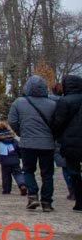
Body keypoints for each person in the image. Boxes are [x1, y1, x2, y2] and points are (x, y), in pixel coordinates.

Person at [9, 74, 59, 212]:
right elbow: (57, 123)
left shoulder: (19, 102)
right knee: (47, 174)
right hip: (47, 144)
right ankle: (47, 202)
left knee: (28, 170)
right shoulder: (53, 104)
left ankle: (32, 196)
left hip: (27, 143)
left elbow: (12, 121)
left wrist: (21, 132)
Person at [50, 74, 82, 210]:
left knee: (74, 171)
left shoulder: (64, 102)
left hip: (70, 142)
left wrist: (58, 137)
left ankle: (79, 200)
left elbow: (58, 122)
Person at [0, 120, 27, 195]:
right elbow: (19, 149)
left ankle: (6, 190)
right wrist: (20, 156)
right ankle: (22, 185)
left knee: (6, 176)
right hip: (15, 160)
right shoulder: (14, 140)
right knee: (18, 174)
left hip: (4, 162)